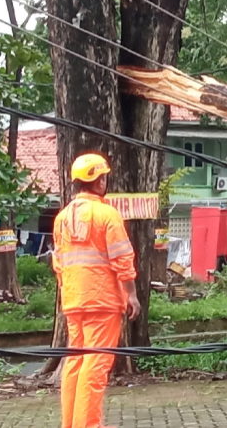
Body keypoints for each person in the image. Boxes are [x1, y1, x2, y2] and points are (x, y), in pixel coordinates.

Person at [52, 153, 141, 428]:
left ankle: (71, 424)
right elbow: (122, 259)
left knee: (75, 364)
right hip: (102, 302)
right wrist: (132, 295)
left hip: (73, 302)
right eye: (104, 177)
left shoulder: (62, 218)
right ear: (99, 181)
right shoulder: (107, 215)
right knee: (96, 364)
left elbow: (58, 264)